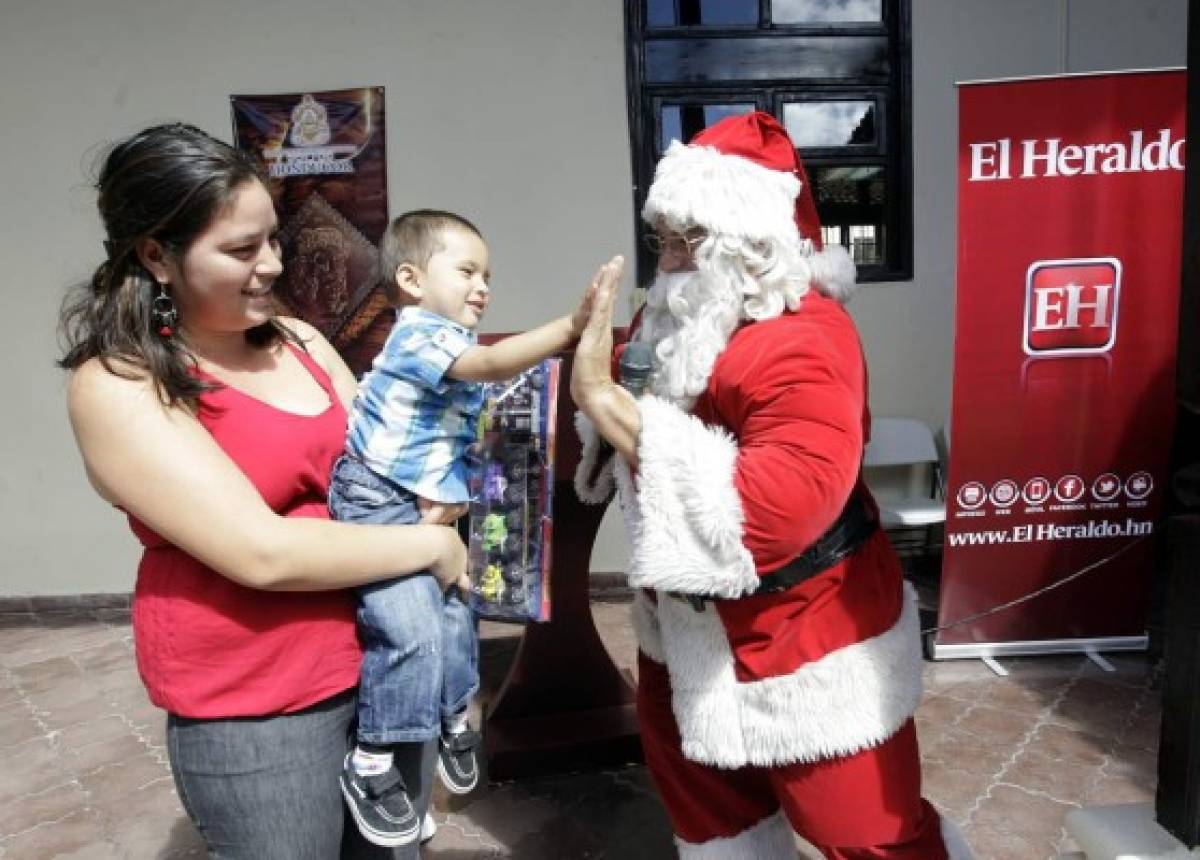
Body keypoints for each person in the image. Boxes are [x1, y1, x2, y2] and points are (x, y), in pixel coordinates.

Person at [59, 123, 470, 860]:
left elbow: (376, 467)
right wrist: (433, 541)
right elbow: (261, 552)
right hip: (259, 702)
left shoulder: (301, 342)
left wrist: (439, 489)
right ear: (156, 254)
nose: (271, 265)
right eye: (241, 250)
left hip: (383, 665)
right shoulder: (120, 384)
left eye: (272, 240)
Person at [570, 112, 973, 858]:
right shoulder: (677, 325)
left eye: (689, 240)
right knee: (717, 825)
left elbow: (774, 509)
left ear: (748, 245)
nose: (669, 258)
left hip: (808, 643)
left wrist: (608, 406)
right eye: (664, 235)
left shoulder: (805, 340)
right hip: (685, 640)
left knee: (865, 836)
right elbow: (618, 401)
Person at [330, 208, 617, 847]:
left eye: (487, 274)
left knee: (460, 612)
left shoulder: (445, 344)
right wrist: (570, 327)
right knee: (408, 629)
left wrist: (453, 496)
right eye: (466, 271)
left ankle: (454, 716)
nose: (483, 286)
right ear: (410, 279)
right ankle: (372, 759)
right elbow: (491, 367)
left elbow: (463, 425)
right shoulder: (419, 335)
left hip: (421, 502)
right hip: (376, 503)